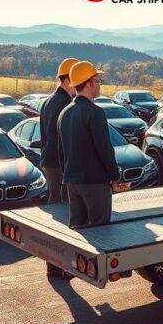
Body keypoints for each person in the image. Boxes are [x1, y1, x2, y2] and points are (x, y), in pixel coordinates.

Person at [59, 61, 120, 229]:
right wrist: (114, 175)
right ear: (88, 83)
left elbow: (61, 152)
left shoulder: (65, 112)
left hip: (73, 182)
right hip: (95, 183)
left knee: (78, 230)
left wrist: (68, 176)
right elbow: (105, 149)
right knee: (100, 233)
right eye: (98, 81)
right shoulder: (95, 112)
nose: (100, 85)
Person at [39, 57, 77, 279]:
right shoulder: (63, 103)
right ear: (69, 79)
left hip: (50, 163)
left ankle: (54, 266)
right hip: (58, 165)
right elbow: (60, 140)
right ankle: (55, 266)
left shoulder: (49, 100)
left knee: (57, 212)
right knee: (60, 214)